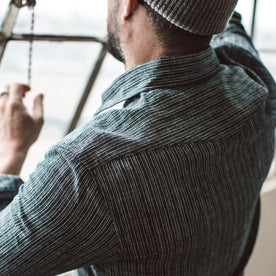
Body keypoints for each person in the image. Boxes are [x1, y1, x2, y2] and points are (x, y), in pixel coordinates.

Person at [0, 0, 275, 275]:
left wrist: (12, 152)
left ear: (129, 5)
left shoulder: (88, 170)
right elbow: (223, 19)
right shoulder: (257, 86)